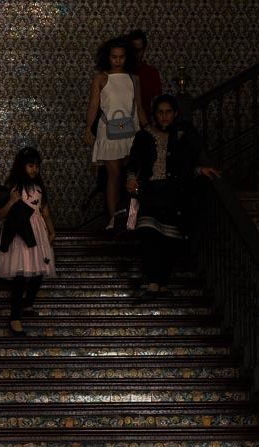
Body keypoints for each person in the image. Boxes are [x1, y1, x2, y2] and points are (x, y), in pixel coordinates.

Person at [124, 95, 219, 300]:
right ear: (155, 115)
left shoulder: (182, 137)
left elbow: (187, 165)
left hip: (174, 193)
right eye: (160, 112)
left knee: (170, 239)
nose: (164, 116)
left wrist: (200, 170)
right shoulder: (144, 136)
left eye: (168, 112)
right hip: (150, 192)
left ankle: (163, 284)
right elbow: (134, 162)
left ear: (175, 113)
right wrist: (131, 178)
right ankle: (153, 284)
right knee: (149, 234)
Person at [83, 37, 147, 231]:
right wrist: (88, 129)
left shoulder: (133, 78)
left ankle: (130, 218)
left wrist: (148, 130)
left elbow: (139, 107)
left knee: (131, 175)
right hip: (107, 130)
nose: (117, 60)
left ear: (127, 57)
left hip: (130, 129)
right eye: (114, 57)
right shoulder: (101, 78)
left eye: (121, 57)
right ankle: (113, 219)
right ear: (107, 57)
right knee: (114, 175)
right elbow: (94, 106)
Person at [0, 147, 56, 337]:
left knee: (39, 271)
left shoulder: (39, 188)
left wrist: (51, 230)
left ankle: (28, 304)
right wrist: (11, 202)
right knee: (21, 275)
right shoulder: (14, 188)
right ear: (22, 167)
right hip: (20, 235)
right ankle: (15, 318)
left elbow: (44, 212)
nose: (34, 170)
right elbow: (1, 215)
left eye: (37, 166)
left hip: (37, 233)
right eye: (30, 166)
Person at [128, 29, 164, 118]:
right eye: (133, 50)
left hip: (144, 124)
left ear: (144, 50)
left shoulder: (151, 73)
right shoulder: (120, 72)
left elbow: (157, 103)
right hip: (122, 124)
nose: (136, 54)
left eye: (139, 50)